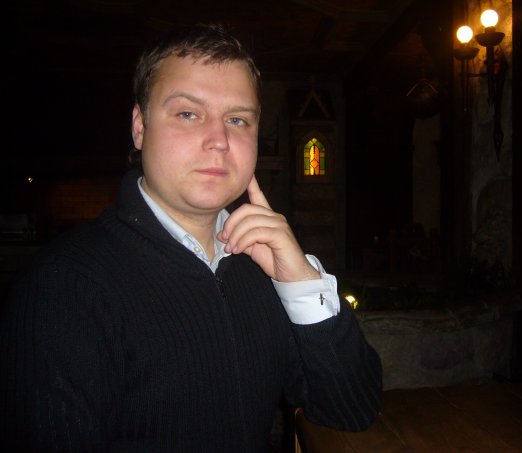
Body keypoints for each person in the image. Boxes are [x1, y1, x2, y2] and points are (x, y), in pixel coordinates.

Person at [0, 23, 382, 451]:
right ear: (140, 126)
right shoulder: (63, 285)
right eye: (188, 114)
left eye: (237, 120)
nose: (219, 141)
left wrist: (301, 282)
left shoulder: (263, 267)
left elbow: (350, 410)